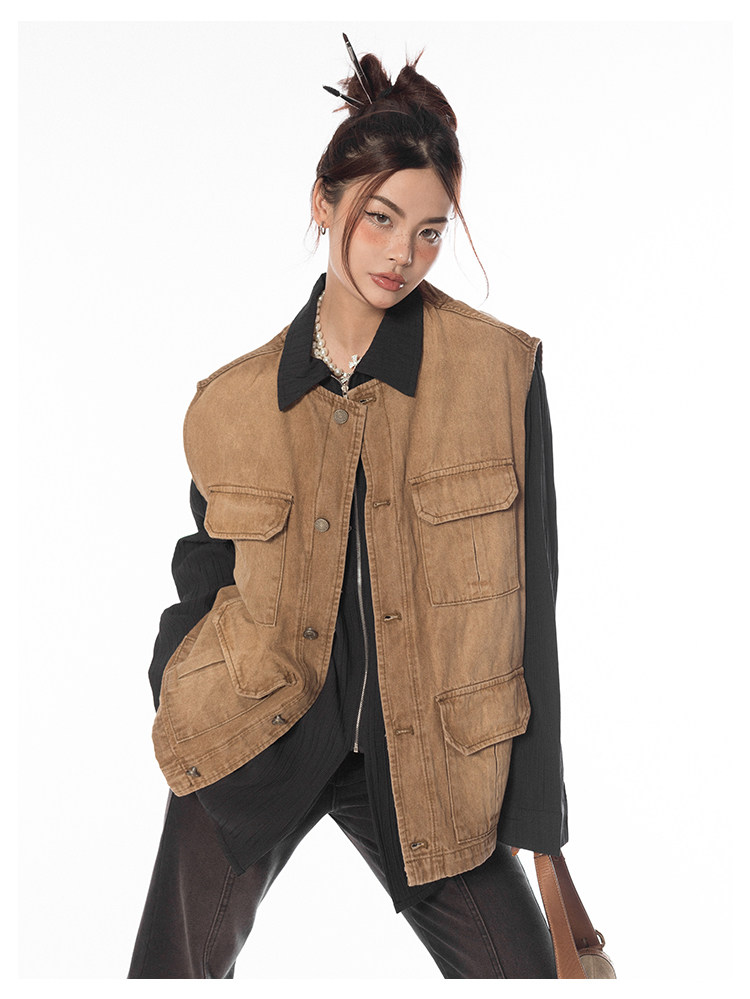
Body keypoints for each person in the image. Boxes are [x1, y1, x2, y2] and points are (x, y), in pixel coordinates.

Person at [128, 36, 568, 980]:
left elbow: (536, 604)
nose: (403, 255)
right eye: (380, 218)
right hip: (256, 729)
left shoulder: (499, 374)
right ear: (325, 203)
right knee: (167, 976)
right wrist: (177, 680)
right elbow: (207, 565)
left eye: (430, 231)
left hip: (426, 762)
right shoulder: (232, 402)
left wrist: (540, 824)